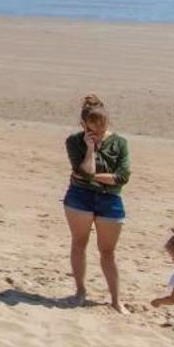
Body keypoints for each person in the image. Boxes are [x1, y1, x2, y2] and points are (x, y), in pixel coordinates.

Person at [64, 94, 130, 311]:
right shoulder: (75, 141)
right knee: (79, 243)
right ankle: (80, 290)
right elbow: (81, 170)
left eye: (102, 128)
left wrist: (90, 177)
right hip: (79, 197)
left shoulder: (120, 143)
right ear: (84, 125)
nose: (99, 133)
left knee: (108, 251)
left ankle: (115, 299)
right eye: (93, 129)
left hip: (110, 199)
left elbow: (121, 177)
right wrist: (90, 149)